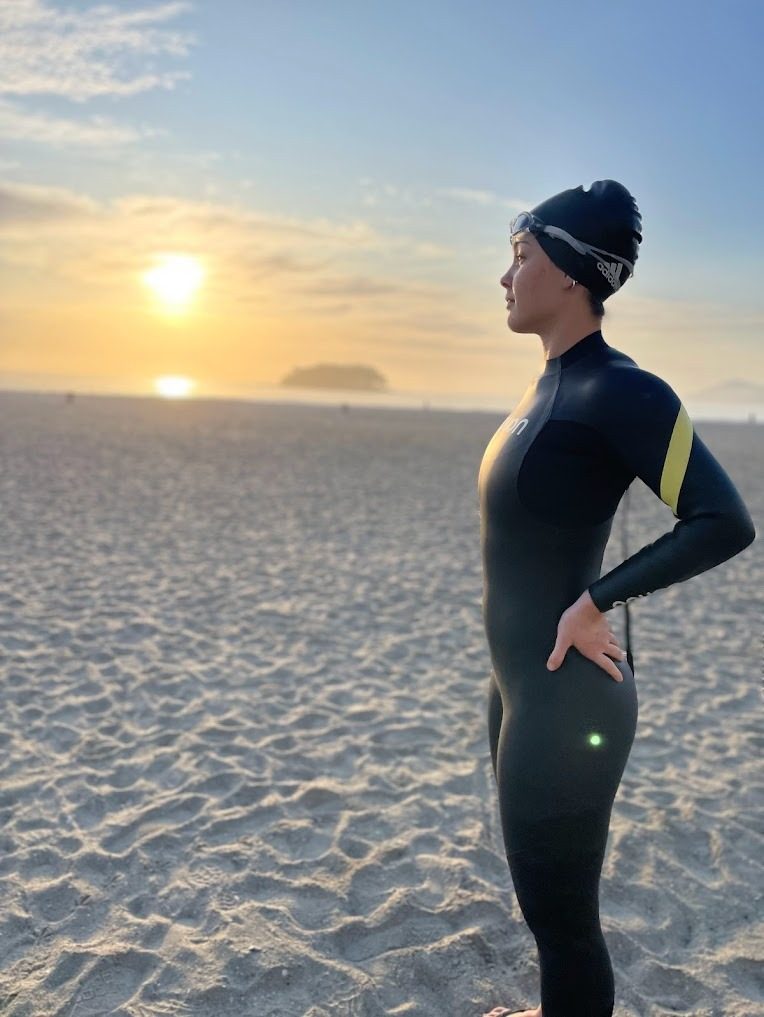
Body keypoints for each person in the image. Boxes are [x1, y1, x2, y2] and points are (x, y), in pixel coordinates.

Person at [477, 179, 756, 1017]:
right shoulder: (546, 386)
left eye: (521, 256)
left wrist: (599, 597)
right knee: (544, 909)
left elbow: (723, 520)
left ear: (568, 270)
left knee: (568, 928)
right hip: (521, 683)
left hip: (568, 695)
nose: (506, 276)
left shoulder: (622, 391)